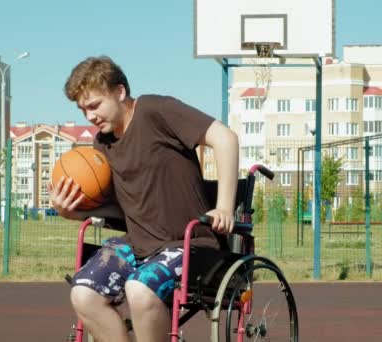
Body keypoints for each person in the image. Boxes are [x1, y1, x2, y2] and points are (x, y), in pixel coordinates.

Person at [48, 56, 239, 342]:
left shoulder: (156, 110)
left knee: (140, 289)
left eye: (94, 105)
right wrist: (71, 212)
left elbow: (225, 138)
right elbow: (119, 207)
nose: (89, 116)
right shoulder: (102, 143)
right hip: (138, 243)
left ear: (120, 92)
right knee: (83, 293)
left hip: (189, 243)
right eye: (82, 109)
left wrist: (223, 206)